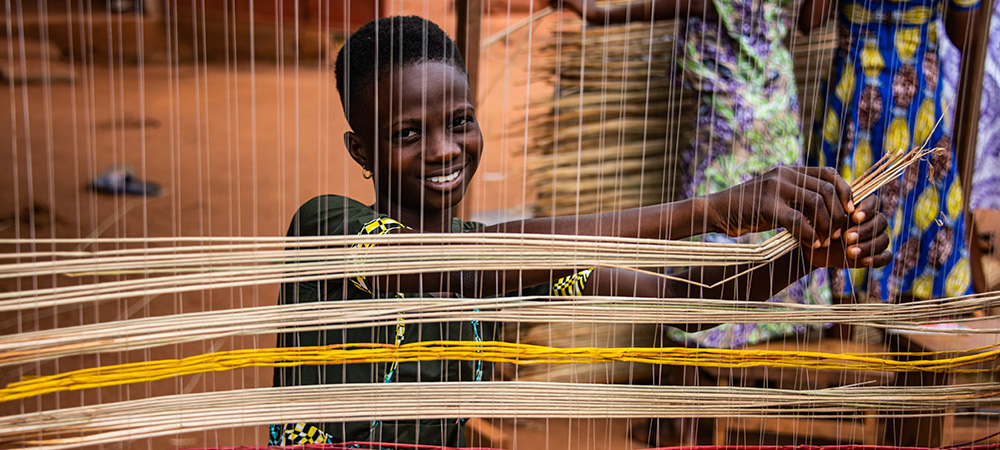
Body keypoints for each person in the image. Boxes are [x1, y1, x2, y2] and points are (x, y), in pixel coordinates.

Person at [270, 15, 890, 447]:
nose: (442, 150)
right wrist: (704, 212)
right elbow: (465, 257)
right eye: (408, 133)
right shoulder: (329, 229)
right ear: (361, 149)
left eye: (459, 121)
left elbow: (694, 298)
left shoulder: (516, 262)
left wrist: (807, 255)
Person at [553, 0, 830, 442]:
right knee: (749, 261)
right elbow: (812, 20)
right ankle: (702, 411)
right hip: (777, 113)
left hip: (728, 122)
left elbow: (640, 8)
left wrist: (588, 10)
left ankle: (680, 417)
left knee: (701, 262)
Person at [801, 0, 979, 303]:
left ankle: (877, 331)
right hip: (886, 97)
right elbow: (808, 23)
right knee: (846, 210)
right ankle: (855, 334)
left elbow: (809, 21)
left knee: (857, 206)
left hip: (882, 100)